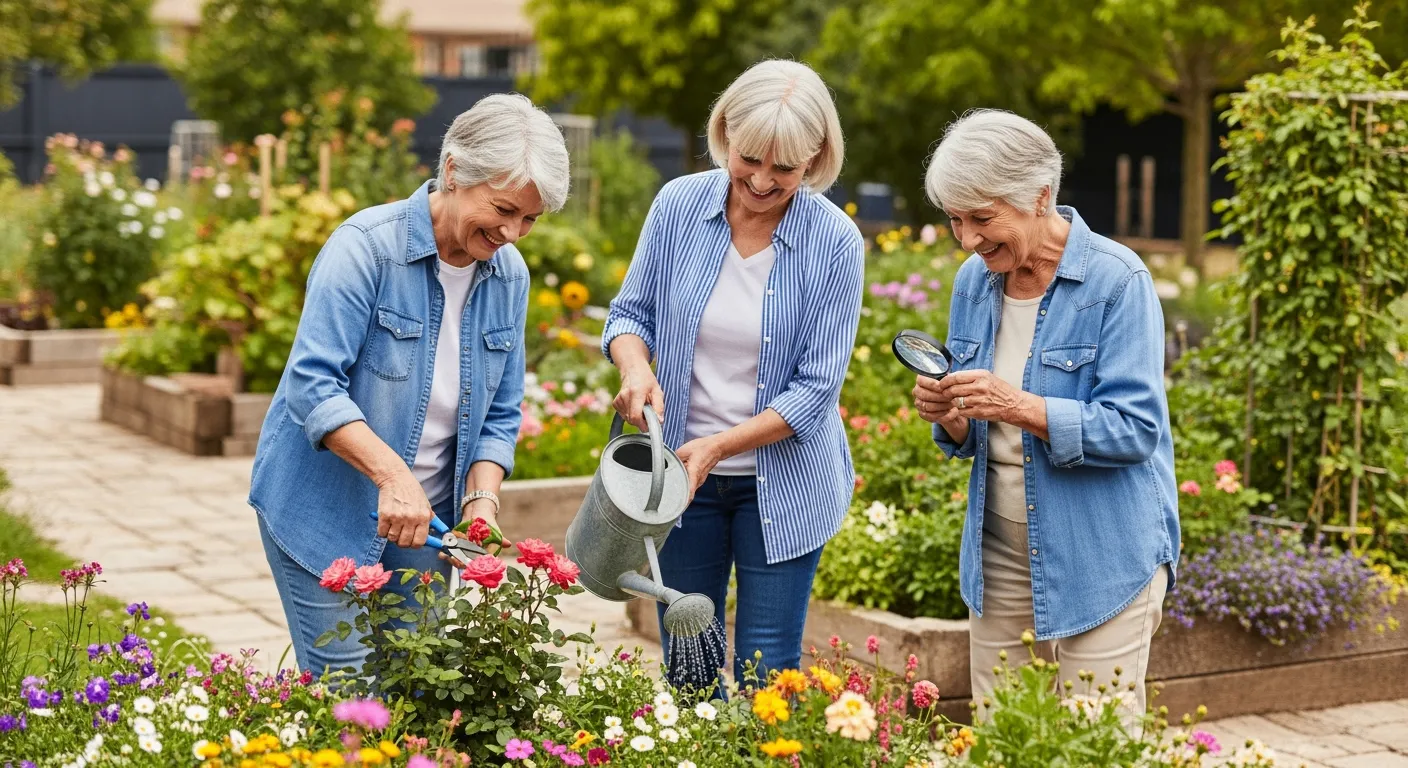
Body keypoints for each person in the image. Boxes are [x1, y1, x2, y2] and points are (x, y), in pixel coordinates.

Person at [248, 93, 570, 677]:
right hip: (327, 511)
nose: (514, 232)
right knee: (350, 699)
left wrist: (481, 499)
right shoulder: (366, 248)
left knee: (417, 692)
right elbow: (313, 387)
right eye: (503, 209)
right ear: (452, 171)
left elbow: (501, 410)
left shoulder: (509, 276)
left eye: (530, 218)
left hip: (427, 528)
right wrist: (394, 477)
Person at [603, 59, 864, 689]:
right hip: (677, 479)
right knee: (689, 664)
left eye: (786, 168)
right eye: (750, 158)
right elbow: (628, 313)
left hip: (787, 483)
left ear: (816, 158)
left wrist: (718, 446)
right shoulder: (679, 206)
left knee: (769, 669)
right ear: (725, 134)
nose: (762, 180)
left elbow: (815, 389)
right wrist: (636, 368)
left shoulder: (836, 242)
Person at [910, 109, 1179, 718]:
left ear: (1040, 196)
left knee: (1095, 740)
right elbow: (970, 436)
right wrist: (950, 416)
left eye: (983, 218)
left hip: (1102, 550)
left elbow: (1135, 429)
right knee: (1004, 732)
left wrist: (1020, 406)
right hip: (1000, 548)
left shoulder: (1117, 282)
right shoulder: (973, 283)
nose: (968, 239)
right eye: (956, 220)